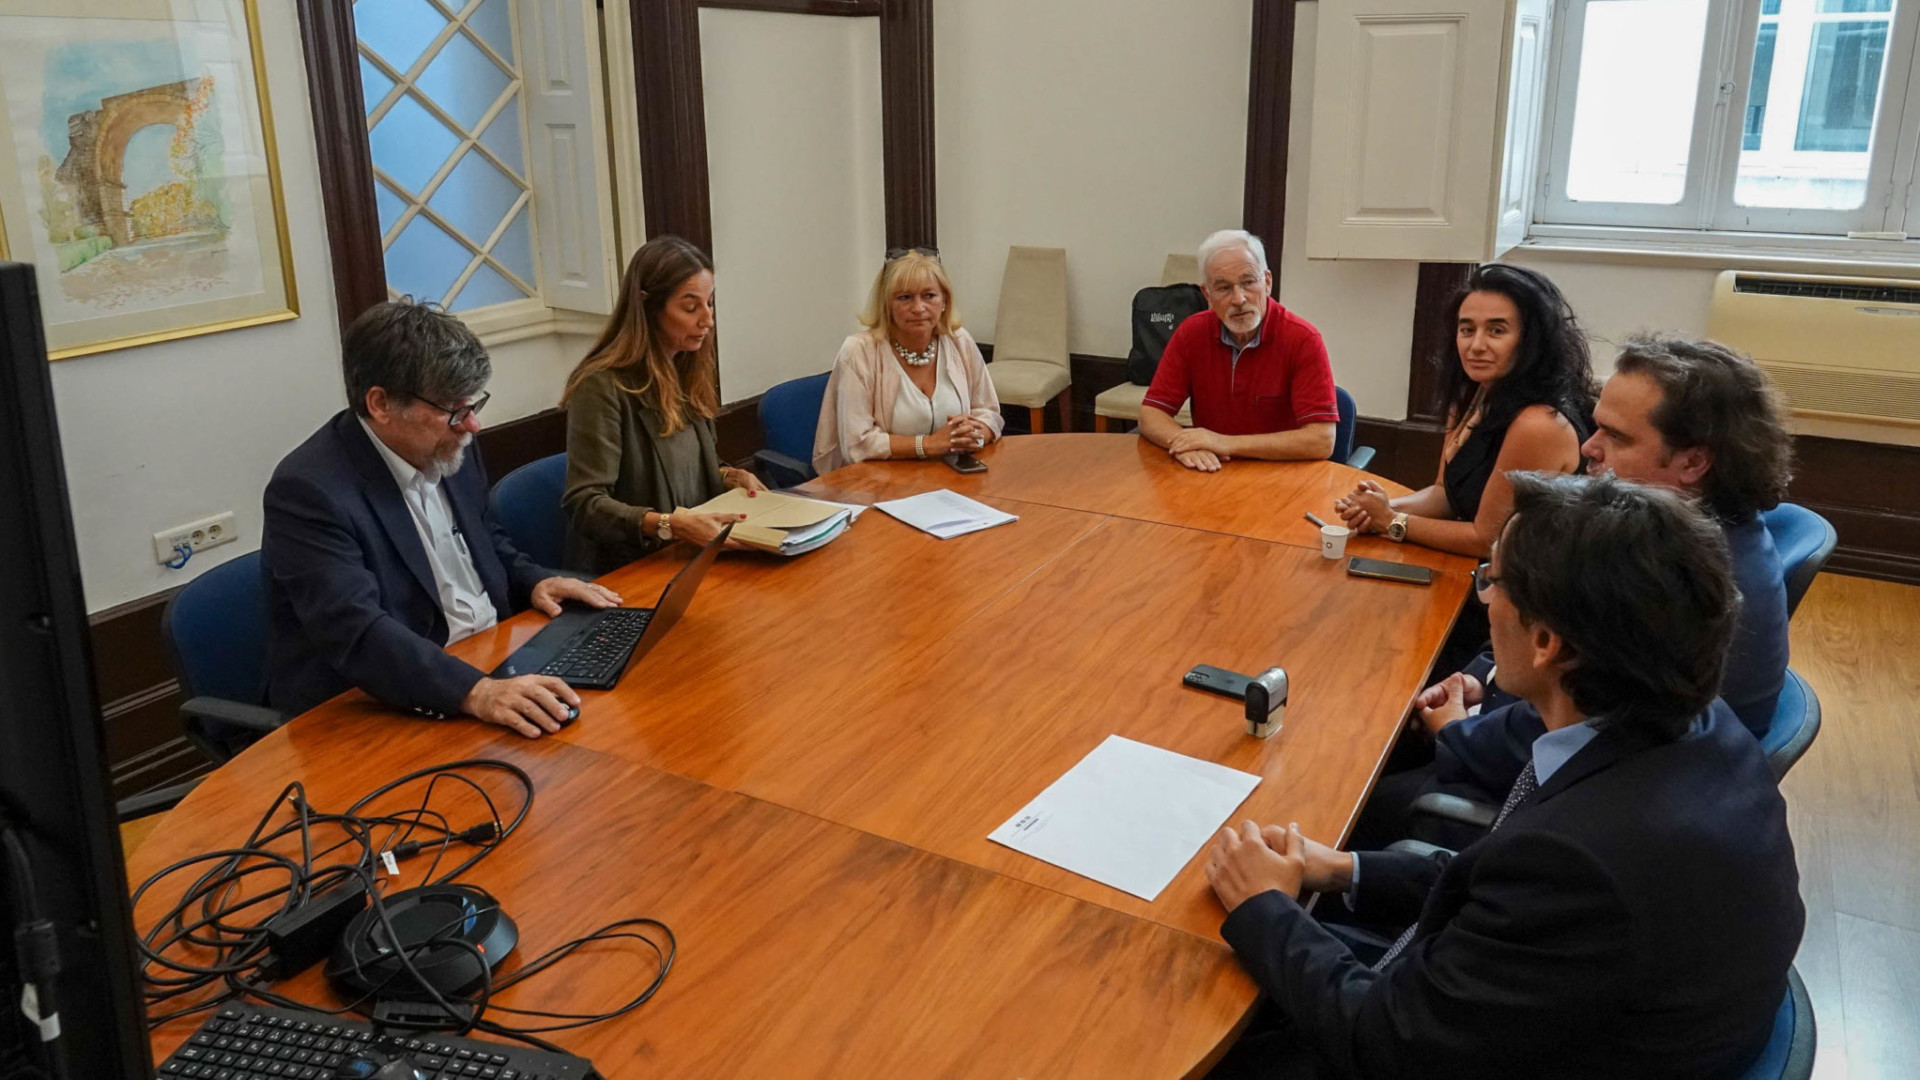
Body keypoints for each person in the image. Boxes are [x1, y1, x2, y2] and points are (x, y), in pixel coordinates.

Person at [1204, 473, 1804, 1080]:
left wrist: (1264, 906)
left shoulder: (1582, 862)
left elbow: (1385, 1045)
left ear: (1546, 642)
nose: (1485, 599)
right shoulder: (1697, 725)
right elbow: (1494, 889)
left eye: (1491, 582)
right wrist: (1341, 868)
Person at [263, 299, 621, 739]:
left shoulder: (449, 447)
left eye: (472, 404)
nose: (472, 425)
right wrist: (476, 692)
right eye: (453, 409)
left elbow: (486, 540)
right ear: (380, 403)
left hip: (491, 662)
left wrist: (533, 581)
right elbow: (358, 632)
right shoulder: (309, 492)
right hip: (385, 704)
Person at [561, 235, 765, 575]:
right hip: (635, 567)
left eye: (710, 303)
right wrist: (670, 524)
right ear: (648, 307)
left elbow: (688, 468)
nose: (707, 319)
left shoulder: (684, 367)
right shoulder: (600, 386)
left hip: (695, 555)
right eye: (690, 307)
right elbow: (586, 505)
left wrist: (731, 475)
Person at [1138, 230, 1337, 471]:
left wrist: (1224, 443)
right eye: (1223, 288)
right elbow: (1151, 413)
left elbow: (1322, 440)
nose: (1239, 299)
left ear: (1267, 282)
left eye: (1248, 282)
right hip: (1213, 474)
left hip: (1282, 477)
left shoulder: (1303, 339)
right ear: (1207, 294)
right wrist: (1185, 445)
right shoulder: (1191, 333)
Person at [812, 248, 1004, 474]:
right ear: (887, 305)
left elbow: (989, 412)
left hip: (951, 475)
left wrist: (977, 432)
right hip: (876, 482)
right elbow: (857, 444)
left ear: (944, 301)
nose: (919, 308)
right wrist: (928, 445)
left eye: (929, 296)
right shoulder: (858, 351)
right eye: (905, 298)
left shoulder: (959, 340)